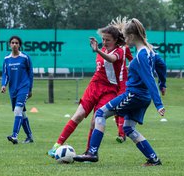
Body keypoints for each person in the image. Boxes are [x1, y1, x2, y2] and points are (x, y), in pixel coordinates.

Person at [73, 18, 167, 166]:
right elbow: (162, 65)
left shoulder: (142, 54)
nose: (123, 40)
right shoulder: (150, 51)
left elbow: (149, 78)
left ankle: (92, 152)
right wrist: (163, 83)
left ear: (131, 36)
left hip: (134, 95)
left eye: (124, 36)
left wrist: (159, 103)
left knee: (100, 113)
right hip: (143, 97)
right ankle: (153, 159)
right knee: (128, 128)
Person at [47, 24, 126, 157]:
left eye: (108, 40)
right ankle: (56, 146)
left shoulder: (119, 51)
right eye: (103, 39)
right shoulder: (101, 49)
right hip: (94, 87)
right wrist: (99, 50)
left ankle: (90, 152)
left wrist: (97, 51)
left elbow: (112, 60)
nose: (104, 42)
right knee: (78, 115)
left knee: (95, 120)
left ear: (116, 40)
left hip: (109, 90)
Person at [1, 36, 34, 144]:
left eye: (16, 43)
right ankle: (29, 137)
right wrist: (3, 85)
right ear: (9, 44)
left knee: (17, 110)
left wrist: (30, 89)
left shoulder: (25, 57)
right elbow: (5, 74)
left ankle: (14, 135)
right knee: (22, 113)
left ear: (19, 45)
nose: (14, 44)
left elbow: (30, 74)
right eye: (12, 42)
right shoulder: (7, 59)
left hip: (24, 87)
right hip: (13, 90)